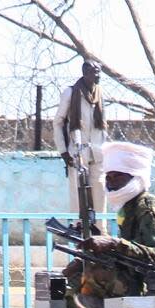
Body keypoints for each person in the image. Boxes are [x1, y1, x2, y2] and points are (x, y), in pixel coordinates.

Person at [68, 141, 155, 303]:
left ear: (135, 177)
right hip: (140, 274)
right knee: (78, 269)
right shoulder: (129, 207)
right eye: (108, 177)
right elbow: (132, 249)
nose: (111, 183)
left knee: (95, 274)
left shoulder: (149, 208)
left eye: (118, 176)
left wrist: (114, 244)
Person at [53, 60, 107, 218]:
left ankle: (100, 237)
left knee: (100, 199)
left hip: (97, 155)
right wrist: (63, 152)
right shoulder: (71, 93)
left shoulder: (100, 93)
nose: (97, 75)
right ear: (85, 74)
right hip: (77, 154)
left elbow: (103, 126)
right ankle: (79, 238)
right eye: (93, 72)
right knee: (78, 201)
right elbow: (58, 123)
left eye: (99, 72)